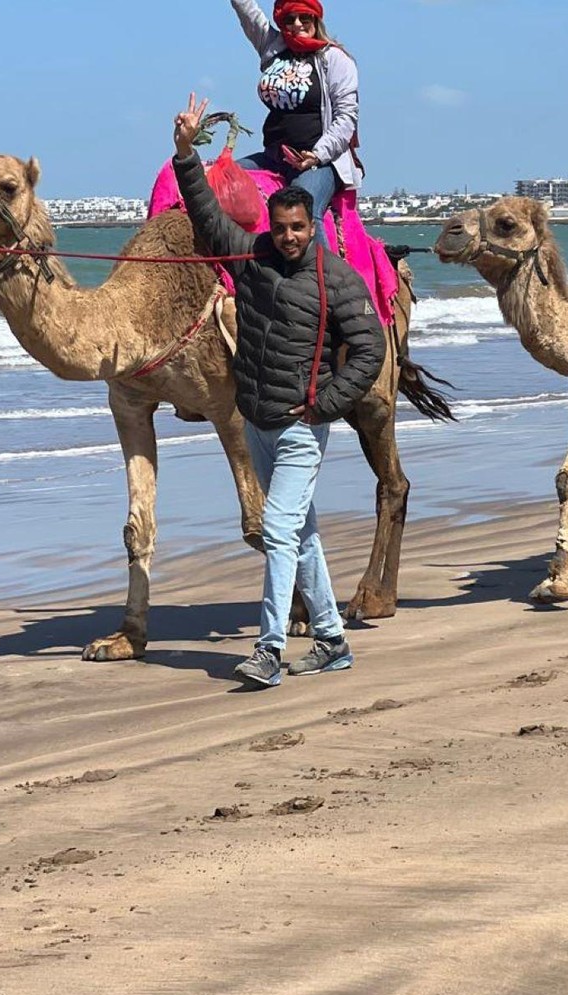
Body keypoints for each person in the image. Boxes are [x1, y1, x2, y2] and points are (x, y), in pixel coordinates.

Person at [172, 93, 385, 687]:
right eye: (281, 228)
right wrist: (186, 153)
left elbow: (369, 350)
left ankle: (268, 649)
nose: (289, 237)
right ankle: (333, 640)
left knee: (277, 530)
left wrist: (325, 405)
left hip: (300, 429)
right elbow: (206, 216)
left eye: (297, 229)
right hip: (256, 422)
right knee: (300, 533)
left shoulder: (336, 279)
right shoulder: (252, 258)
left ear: (311, 227)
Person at [228, 0, 361, 237]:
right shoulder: (273, 48)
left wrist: (317, 155)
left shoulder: (334, 59)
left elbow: (346, 117)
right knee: (223, 179)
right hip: (273, 157)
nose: (297, 24)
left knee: (302, 207)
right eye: (289, 19)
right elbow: (247, 11)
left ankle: (320, 262)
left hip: (320, 161)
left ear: (315, 20)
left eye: (304, 18)